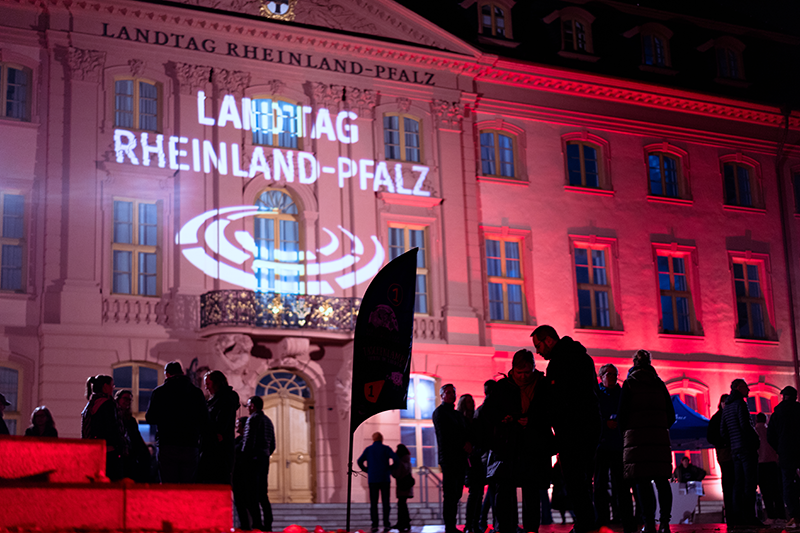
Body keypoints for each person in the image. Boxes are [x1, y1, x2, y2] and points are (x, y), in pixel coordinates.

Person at [531, 325, 600, 533]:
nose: (537, 351)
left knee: (575, 479)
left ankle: (585, 523)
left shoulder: (559, 363)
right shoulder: (582, 357)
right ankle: (587, 522)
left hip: (572, 430)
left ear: (548, 340)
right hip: (590, 426)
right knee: (584, 479)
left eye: (538, 345)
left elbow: (560, 399)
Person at [479, 349, 552, 533]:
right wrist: (505, 417)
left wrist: (533, 420)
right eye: (520, 373)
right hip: (507, 446)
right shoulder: (502, 386)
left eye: (528, 372)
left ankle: (530, 529)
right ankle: (506, 528)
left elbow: (552, 412)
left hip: (532, 445)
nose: (524, 376)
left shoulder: (543, 385)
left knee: (531, 492)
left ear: (534, 368)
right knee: (505, 493)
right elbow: (487, 413)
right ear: (513, 370)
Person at [617, 350, 674, 533]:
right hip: (658, 440)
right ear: (649, 363)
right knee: (662, 482)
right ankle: (665, 523)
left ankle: (649, 524)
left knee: (642, 483)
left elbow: (622, 416)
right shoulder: (659, 384)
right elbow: (671, 415)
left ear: (634, 364)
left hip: (637, 442)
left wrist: (628, 433)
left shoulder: (630, 384)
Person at [145, 361, 208, 483]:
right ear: (183, 373)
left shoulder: (159, 392)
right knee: (188, 485)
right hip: (190, 444)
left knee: (169, 484)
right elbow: (204, 419)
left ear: (167, 374)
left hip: (167, 444)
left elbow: (150, 418)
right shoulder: (196, 392)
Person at [720, 378, 761, 526]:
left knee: (738, 483)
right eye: (746, 387)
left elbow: (723, 431)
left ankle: (738, 517)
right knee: (749, 483)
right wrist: (755, 440)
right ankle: (750, 517)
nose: (748, 390)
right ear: (738, 387)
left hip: (735, 450)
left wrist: (733, 441)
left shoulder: (727, 407)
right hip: (745, 448)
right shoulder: (740, 404)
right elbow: (745, 425)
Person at [595, 363, 631, 527]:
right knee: (601, 485)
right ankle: (602, 518)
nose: (610, 377)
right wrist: (604, 423)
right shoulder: (595, 394)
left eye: (613, 374)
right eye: (607, 374)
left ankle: (624, 517)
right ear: (601, 376)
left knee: (622, 485)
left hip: (618, 445)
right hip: (601, 445)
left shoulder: (623, 393)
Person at [432, 383, 470, 533]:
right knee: (450, 494)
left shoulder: (457, 414)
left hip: (459, 457)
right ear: (441, 396)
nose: (450, 395)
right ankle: (449, 526)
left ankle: (451, 525)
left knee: (457, 493)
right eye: (447, 392)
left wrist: (467, 443)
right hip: (449, 458)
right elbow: (447, 435)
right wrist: (463, 443)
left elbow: (464, 431)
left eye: (452, 392)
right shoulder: (440, 413)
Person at [198, 370, 240, 484]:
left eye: (208, 384)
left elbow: (219, 424)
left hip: (218, 451)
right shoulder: (216, 400)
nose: (206, 388)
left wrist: (213, 432)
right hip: (215, 447)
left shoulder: (224, 400)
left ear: (216, 383)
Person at [767, 386, 800, 527]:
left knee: (787, 483)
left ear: (783, 396)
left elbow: (770, 436)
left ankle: (794, 515)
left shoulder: (777, 413)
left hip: (785, 452)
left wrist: (779, 448)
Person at [81, 374, 124, 480]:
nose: (113, 389)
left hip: (93, 448)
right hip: (108, 450)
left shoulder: (91, 404)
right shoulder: (108, 404)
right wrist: (119, 445)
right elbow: (112, 427)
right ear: (105, 386)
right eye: (112, 386)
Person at [243, 396, 276, 532]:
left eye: (249, 405)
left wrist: (245, 457)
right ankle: (268, 523)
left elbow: (249, 439)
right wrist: (267, 452)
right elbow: (273, 443)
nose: (247, 408)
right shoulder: (268, 420)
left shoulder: (253, 419)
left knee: (252, 493)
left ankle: (257, 523)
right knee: (263, 493)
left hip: (254, 459)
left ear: (253, 405)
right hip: (264, 458)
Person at [357, 431, 398, 533]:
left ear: (373, 439)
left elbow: (359, 461)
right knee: (385, 502)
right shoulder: (386, 449)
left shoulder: (369, 450)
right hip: (384, 478)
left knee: (374, 503)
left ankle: (374, 524)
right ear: (382, 439)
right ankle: (386, 524)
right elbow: (396, 459)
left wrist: (367, 470)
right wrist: (390, 468)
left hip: (373, 479)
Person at [707, 394, 734, 524]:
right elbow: (711, 436)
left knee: (730, 482)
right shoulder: (720, 418)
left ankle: (733, 513)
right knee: (730, 481)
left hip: (728, 452)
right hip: (726, 453)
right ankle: (731, 513)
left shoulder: (720, 417)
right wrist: (723, 443)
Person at [459, 393, 484, 533]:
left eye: (471, 401)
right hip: (469, 460)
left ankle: (474, 523)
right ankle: (470, 524)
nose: (471, 404)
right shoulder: (462, 421)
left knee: (478, 493)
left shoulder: (474, 420)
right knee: (475, 493)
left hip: (476, 458)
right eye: (468, 402)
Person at [476, 379, 498, 533]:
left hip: (486, 454)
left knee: (492, 490)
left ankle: (483, 520)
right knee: (494, 490)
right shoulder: (490, 409)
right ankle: (486, 521)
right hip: (491, 453)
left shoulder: (481, 410)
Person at [115, 390, 150, 481]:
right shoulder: (115, 418)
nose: (128, 402)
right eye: (125, 399)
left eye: (129, 400)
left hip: (130, 455)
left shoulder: (130, 420)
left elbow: (136, 437)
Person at [755, 412, 784, 522]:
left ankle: (771, 515)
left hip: (760, 464)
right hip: (772, 463)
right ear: (766, 419)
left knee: (766, 492)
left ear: (756, 419)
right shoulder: (770, 431)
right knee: (776, 490)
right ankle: (781, 515)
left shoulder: (755, 432)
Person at [232, 416, 252, 529]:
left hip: (243, 476)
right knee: (240, 503)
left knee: (243, 503)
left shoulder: (246, 441)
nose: (236, 426)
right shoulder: (238, 440)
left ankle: (246, 527)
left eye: (238, 424)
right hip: (238, 475)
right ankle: (244, 526)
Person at [392, 443, 415, 533]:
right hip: (407, 486)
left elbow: (396, 474)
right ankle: (405, 522)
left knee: (401, 505)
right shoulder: (408, 460)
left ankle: (403, 522)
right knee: (403, 504)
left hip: (402, 486)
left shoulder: (400, 461)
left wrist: (392, 470)